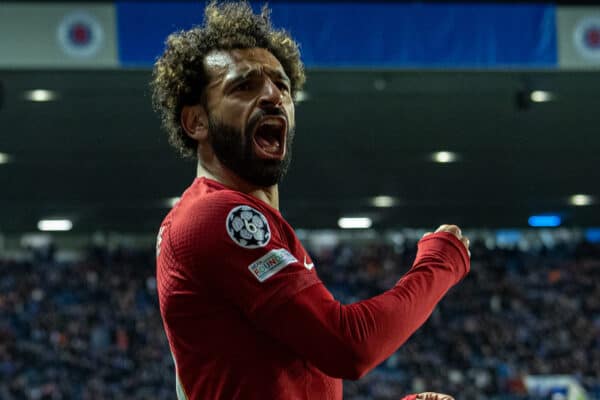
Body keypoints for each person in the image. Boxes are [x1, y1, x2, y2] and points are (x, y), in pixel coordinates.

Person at [152, 2, 470, 399]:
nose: (272, 96)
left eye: (282, 86)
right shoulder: (217, 216)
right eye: (244, 86)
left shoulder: (237, 218)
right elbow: (350, 346)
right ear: (196, 121)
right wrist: (441, 263)